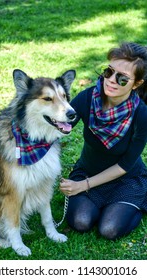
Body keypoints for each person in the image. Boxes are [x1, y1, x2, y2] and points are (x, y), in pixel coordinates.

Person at [60, 42, 147, 240]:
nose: (111, 80)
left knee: (109, 229)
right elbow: (59, 128)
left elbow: (125, 165)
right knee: (81, 221)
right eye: (109, 71)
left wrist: (83, 186)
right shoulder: (88, 98)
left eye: (122, 78)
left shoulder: (141, 114)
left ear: (136, 84)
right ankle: (108, 207)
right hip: (88, 171)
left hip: (126, 179)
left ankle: (134, 204)